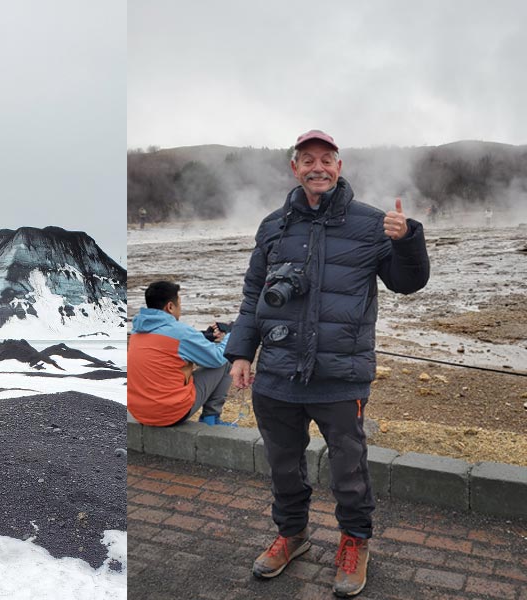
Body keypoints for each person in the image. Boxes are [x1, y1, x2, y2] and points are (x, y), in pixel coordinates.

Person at [225, 130, 429, 597]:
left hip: (340, 375)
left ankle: (355, 542)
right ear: (294, 168)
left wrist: (408, 240)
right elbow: (254, 294)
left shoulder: (371, 223)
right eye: (308, 159)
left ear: (339, 166)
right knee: (282, 465)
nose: (318, 167)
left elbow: (407, 282)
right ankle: (292, 535)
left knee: (348, 470)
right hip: (277, 373)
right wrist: (240, 352)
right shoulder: (273, 226)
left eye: (327, 159)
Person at [128, 281, 234, 427]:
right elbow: (217, 358)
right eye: (180, 304)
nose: (180, 309)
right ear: (170, 307)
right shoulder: (180, 332)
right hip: (170, 413)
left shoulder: (136, 332)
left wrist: (203, 337)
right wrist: (231, 334)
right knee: (226, 360)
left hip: (139, 412)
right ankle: (211, 419)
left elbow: (168, 344)